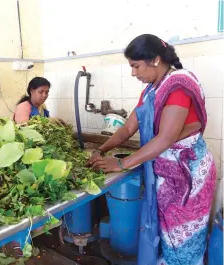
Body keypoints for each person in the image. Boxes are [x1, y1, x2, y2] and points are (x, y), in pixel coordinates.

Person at [87, 34, 216, 265]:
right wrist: (101, 149)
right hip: (168, 176)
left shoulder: (178, 85)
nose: (133, 73)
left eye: (136, 66)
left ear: (155, 59)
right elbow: (127, 129)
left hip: (188, 178)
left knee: (184, 239)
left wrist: (121, 163)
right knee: (168, 237)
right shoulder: (150, 90)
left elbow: (166, 138)